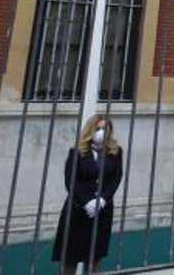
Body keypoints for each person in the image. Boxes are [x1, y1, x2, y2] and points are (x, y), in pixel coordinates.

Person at [52, 114, 124, 274]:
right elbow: (71, 180)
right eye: (98, 128)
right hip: (77, 211)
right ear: (90, 130)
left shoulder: (116, 152)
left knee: (94, 260)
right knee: (69, 259)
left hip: (102, 212)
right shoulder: (77, 152)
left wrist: (103, 199)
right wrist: (86, 202)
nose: (101, 132)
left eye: (105, 128)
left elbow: (116, 178)